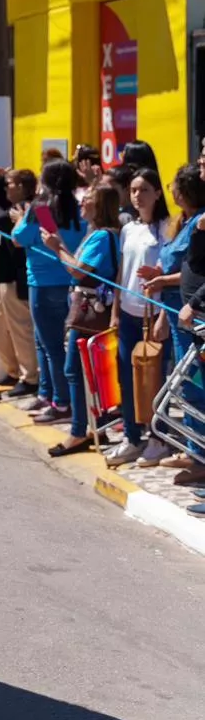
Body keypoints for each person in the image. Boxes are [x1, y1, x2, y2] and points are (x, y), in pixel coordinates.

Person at [40, 183, 122, 456]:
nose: (82, 203)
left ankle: (78, 432)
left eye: (87, 199)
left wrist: (55, 247)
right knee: (88, 373)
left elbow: (77, 271)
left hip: (89, 311)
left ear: (99, 206)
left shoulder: (100, 236)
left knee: (74, 370)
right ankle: (94, 428)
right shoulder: (102, 233)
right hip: (94, 307)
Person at [143, 163, 205, 483]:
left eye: (175, 186)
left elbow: (193, 271)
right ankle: (194, 447)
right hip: (175, 311)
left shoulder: (199, 223)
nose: (171, 191)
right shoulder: (184, 222)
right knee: (186, 383)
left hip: (190, 313)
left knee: (193, 385)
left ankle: (200, 456)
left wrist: (162, 279)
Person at [12, 160, 87, 423]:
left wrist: (21, 218)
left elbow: (18, 238)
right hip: (69, 283)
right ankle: (48, 393)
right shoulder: (78, 208)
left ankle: (60, 402)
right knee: (51, 344)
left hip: (42, 285)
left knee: (51, 346)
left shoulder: (42, 210)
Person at [106, 167, 171, 468]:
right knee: (127, 378)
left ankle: (158, 438)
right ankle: (132, 437)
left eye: (144, 189)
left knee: (155, 380)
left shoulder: (168, 228)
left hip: (154, 314)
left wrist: (164, 317)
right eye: (133, 190)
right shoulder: (128, 229)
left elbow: (170, 276)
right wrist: (115, 311)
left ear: (158, 192)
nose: (137, 195)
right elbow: (122, 272)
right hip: (129, 313)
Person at [0, 167, 38, 395]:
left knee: (21, 329)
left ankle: (30, 378)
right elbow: (2, 201)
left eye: (9, 183)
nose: (5, 187)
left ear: (22, 188)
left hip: (16, 278)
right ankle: (15, 372)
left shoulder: (25, 210)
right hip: (4, 278)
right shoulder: (15, 206)